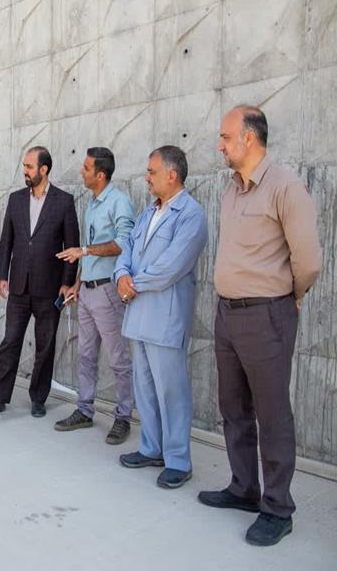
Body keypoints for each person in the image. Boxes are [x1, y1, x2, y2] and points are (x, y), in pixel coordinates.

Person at [198, 106, 322, 546]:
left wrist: (293, 296)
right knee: (233, 408)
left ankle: (278, 508)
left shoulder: (285, 187)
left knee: (272, 414)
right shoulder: (231, 189)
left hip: (267, 315)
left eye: (225, 136)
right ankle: (244, 488)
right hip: (227, 314)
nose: (220, 144)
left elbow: (308, 260)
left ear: (248, 138)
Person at [114, 145, 208, 489]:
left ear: (172, 174)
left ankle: (178, 461)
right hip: (139, 315)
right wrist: (121, 275)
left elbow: (172, 266)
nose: (147, 178)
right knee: (145, 388)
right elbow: (126, 249)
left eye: (152, 172)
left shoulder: (191, 215)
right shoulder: (147, 213)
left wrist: (132, 283)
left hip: (165, 318)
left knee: (172, 392)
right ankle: (151, 448)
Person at [0, 146, 78, 420]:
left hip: (50, 288)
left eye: (29, 166)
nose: (24, 171)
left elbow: (72, 245)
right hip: (19, 287)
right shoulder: (15, 200)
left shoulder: (64, 202)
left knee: (45, 346)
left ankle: (38, 398)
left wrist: (67, 282)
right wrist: (2, 275)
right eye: (24, 166)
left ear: (43, 169)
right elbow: (6, 241)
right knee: (10, 341)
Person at [53, 147, 135, 445]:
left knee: (118, 359)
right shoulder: (92, 203)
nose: (81, 171)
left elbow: (125, 242)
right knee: (86, 355)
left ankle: (123, 417)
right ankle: (85, 410)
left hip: (108, 292)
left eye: (86, 168)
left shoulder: (119, 201)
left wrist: (85, 251)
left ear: (100, 175)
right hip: (87, 291)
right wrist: (77, 282)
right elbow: (85, 251)